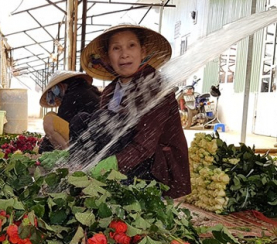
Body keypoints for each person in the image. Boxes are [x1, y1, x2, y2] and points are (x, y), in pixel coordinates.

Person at [74, 24, 191, 199]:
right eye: (116, 48)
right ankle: (90, 177)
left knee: (103, 120)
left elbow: (146, 144)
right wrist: (73, 154)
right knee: (82, 119)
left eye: (131, 45)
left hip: (155, 167)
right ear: (107, 57)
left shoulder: (155, 86)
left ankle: (120, 190)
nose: (124, 54)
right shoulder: (111, 91)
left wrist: (113, 163)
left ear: (143, 52)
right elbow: (97, 131)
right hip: (126, 158)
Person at [38, 71, 101, 152]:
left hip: (86, 138)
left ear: (60, 85)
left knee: (48, 119)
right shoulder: (88, 89)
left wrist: (43, 147)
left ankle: (67, 152)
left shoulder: (72, 94)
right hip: (94, 135)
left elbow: (62, 119)